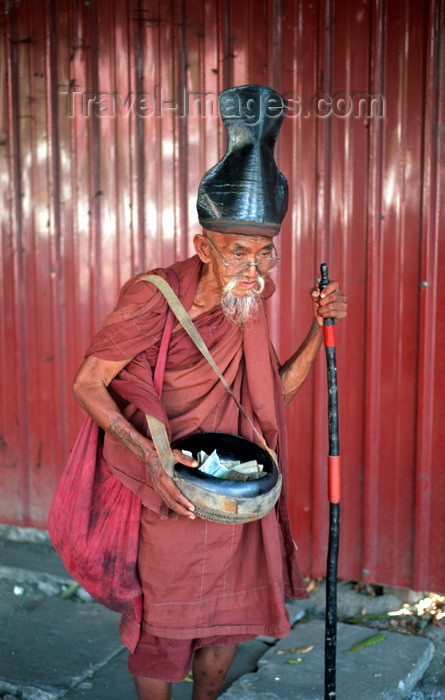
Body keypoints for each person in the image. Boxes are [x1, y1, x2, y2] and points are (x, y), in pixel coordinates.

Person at [72, 85, 347, 700]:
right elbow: (88, 382)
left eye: (266, 255)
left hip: (239, 491)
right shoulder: (152, 295)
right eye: (238, 253)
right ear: (204, 246)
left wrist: (319, 328)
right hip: (173, 486)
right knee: (164, 632)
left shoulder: (244, 298)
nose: (255, 271)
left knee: (229, 627)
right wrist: (147, 452)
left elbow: (270, 398)